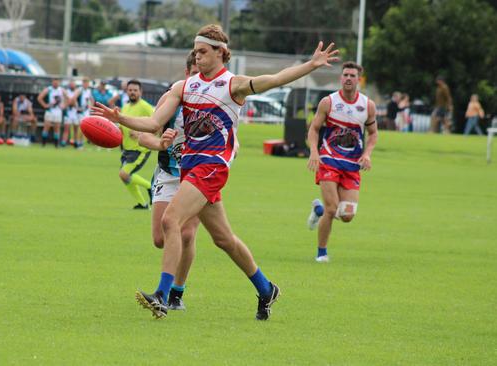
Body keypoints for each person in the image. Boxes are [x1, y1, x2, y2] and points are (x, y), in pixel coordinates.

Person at [93, 24, 338, 320]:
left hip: (212, 168)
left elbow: (274, 80)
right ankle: (265, 288)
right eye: (195, 52)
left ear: (221, 52)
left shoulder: (232, 85)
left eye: (203, 52)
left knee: (172, 220)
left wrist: (311, 65)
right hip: (190, 169)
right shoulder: (184, 87)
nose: (197, 57)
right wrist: (121, 119)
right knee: (224, 240)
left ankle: (163, 294)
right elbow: (154, 122)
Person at [136, 50, 201, 310]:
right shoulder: (171, 99)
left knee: (187, 233)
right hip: (167, 173)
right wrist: (160, 143)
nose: (200, 81)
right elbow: (144, 136)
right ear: (186, 75)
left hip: (197, 177)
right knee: (160, 239)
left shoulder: (214, 103)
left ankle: (175, 293)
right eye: (195, 75)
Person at [305, 61, 378, 263]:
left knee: (347, 215)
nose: (348, 78)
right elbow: (314, 129)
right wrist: (313, 151)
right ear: (341, 77)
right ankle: (322, 253)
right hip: (329, 160)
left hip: (352, 165)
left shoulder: (367, 105)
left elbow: (373, 134)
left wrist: (368, 153)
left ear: (359, 79)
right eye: (345, 75)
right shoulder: (328, 102)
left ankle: (318, 209)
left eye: (352, 76)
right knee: (332, 209)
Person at [119, 79, 154, 210]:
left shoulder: (146, 107)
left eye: (135, 90)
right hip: (127, 149)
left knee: (123, 174)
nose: (132, 92)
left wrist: (140, 133)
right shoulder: (125, 107)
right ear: (126, 91)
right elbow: (123, 126)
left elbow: (157, 124)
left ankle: (150, 186)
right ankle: (142, 204)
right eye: (130, 90)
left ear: (141, 92)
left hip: (140, 149)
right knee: (125, 177)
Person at [37, 78, 66, 147]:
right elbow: (39, 98)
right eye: (54, 82)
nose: (55, 84)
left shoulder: (61, 90)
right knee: (47, 126)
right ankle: (43, 143)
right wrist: (45, 105)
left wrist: (64, 106)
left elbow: (68, 98)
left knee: (57, 128)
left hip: (58, 111)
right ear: (52, 82)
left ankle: (56, 144)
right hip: (50, 111)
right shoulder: (49, 89)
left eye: (57, 82)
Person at [62, 80, 79, 147]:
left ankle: (76, 142)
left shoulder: (76, 91)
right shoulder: (67, 92)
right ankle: (64, 142)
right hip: (68, 113)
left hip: (75, 113)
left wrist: (71, 101)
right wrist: (71, 101)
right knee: (66, 129)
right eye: (71, 84)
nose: (72, 85)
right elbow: (69, 102)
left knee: (76, 129)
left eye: (73, 84)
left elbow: (73, 101)